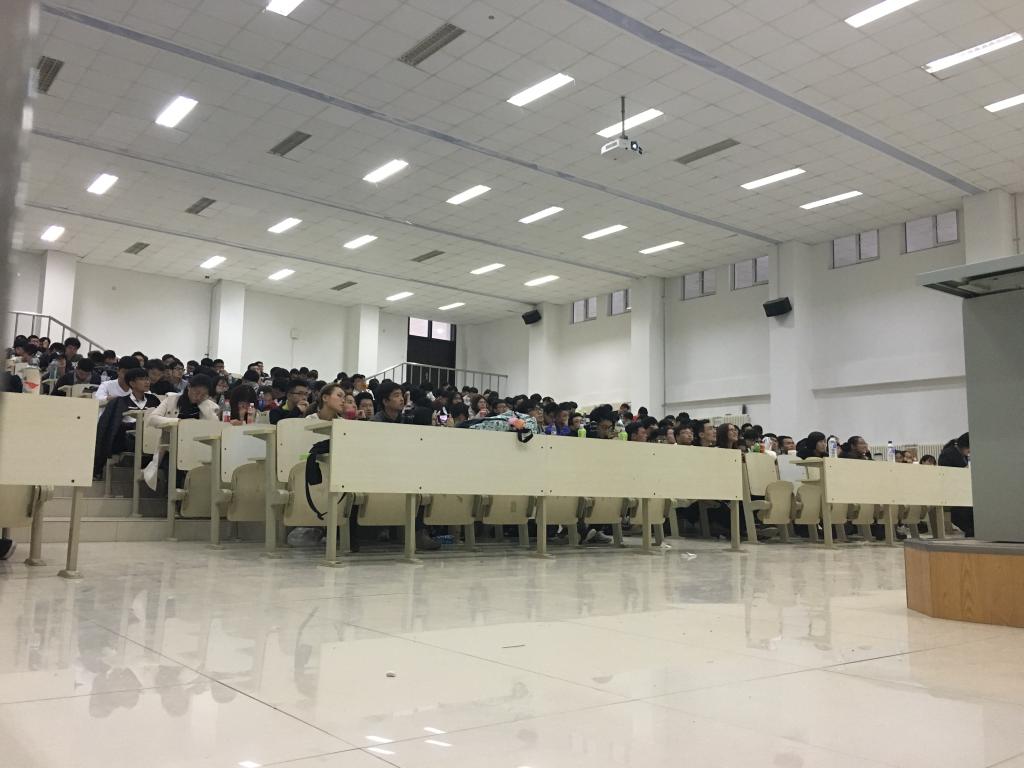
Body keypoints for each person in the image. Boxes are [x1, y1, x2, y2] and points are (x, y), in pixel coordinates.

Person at [93, 369, 159, 477]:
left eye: (147, 379)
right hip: (127, 439)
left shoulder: (154, 400)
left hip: (151, 435)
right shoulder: (120, 401)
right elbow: (113, 426)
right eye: (142, 379)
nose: (147, 382)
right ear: (132, 383)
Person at [939, 432, 973, 537]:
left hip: (961, 487)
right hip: (952, 489)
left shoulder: (961, 453)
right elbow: (945, 475)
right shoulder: (948, 454)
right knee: (963, 510)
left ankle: (972, 528)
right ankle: (970, 529)